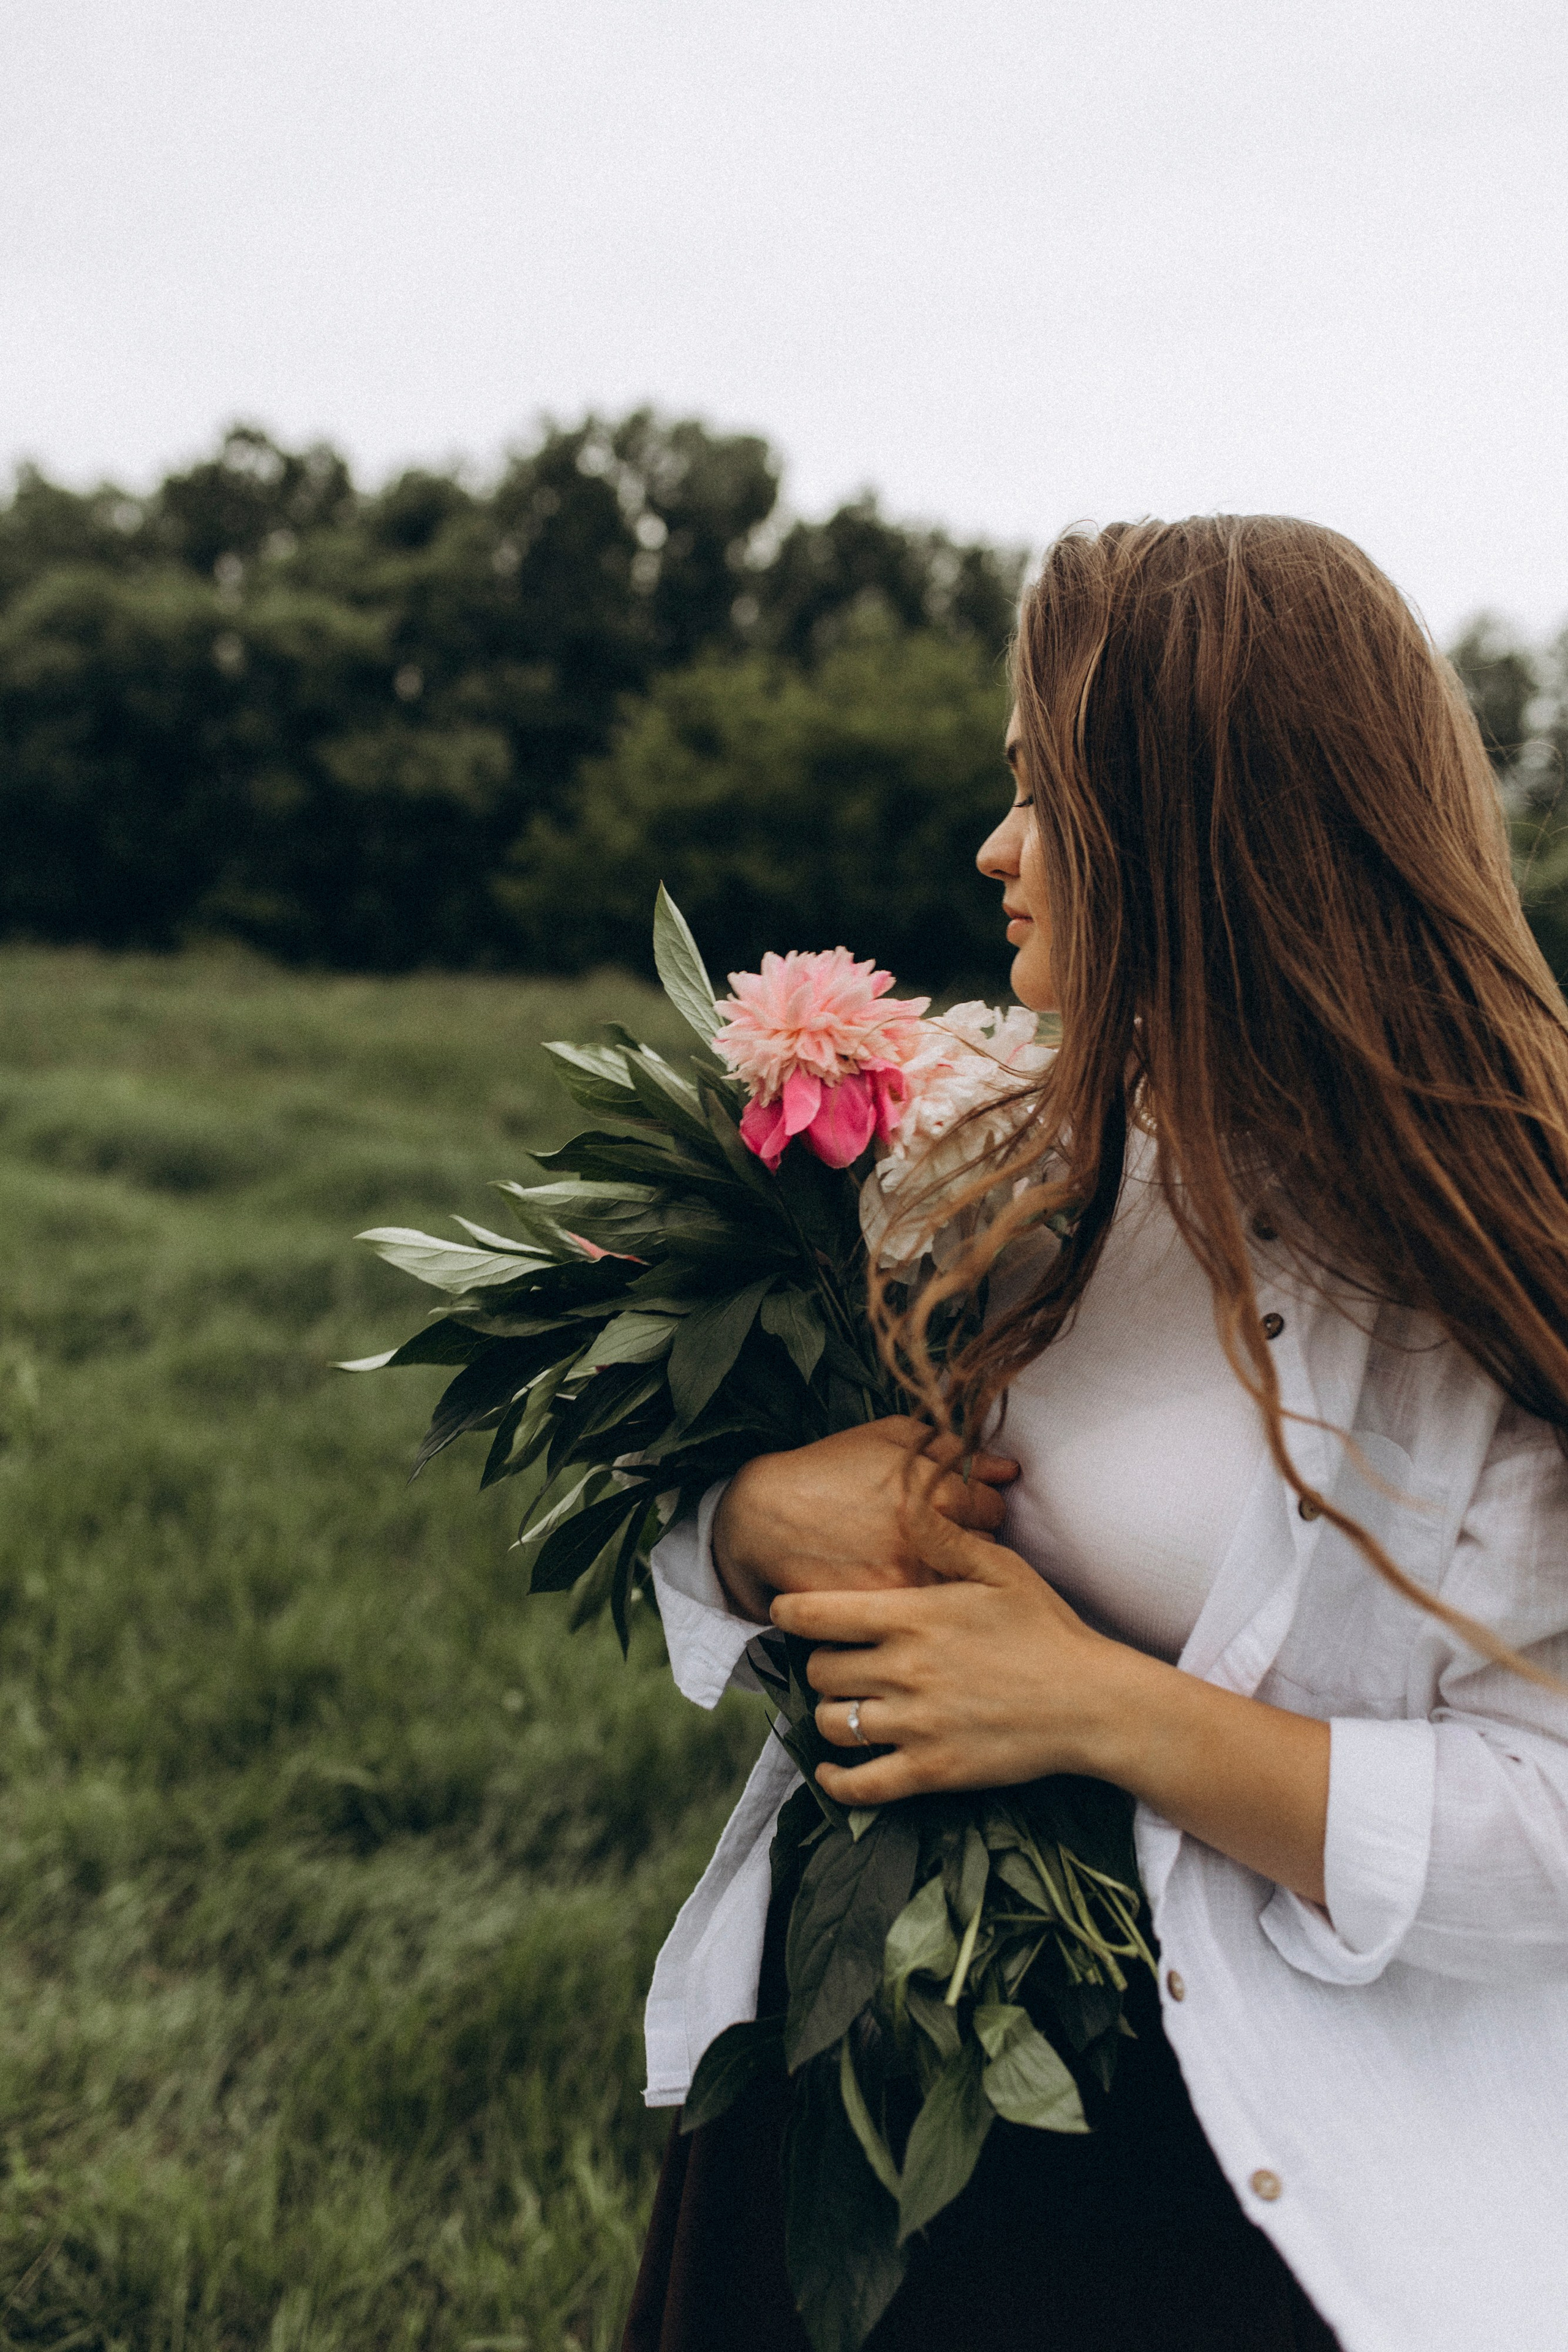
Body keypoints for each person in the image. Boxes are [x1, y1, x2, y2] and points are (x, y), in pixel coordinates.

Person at [622, 518, 1568, 2352]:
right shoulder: (978, 1147)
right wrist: (756, 1514)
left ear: (1202, 829)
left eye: (1048, 794)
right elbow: (726, 1501)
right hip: (857, 2059)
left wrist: (1098, 1708)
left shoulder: (1488, 1265)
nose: (995, 850)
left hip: (1217, 2169)